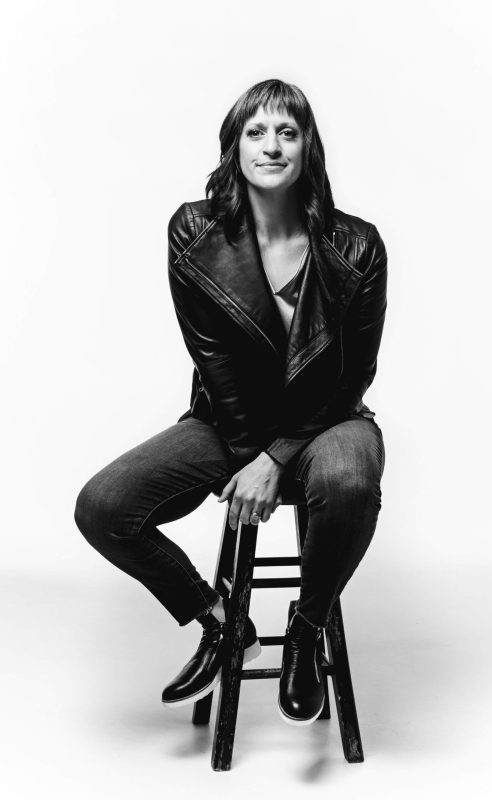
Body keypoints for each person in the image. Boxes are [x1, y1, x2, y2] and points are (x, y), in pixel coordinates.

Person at [74, 78, 387, 727]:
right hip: (227, 418)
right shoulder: (196, 233)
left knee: (351, 475)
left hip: (329, 422)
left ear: (308, 149)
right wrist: (254, 452)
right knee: (104, 507)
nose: (271, 145)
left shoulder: (357, 247)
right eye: (257, 131)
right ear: (235, 146)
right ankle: (223, 625)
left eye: (288, 132)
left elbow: (351, 376)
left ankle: (306, 628)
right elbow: (216, 365)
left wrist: (276, 458)